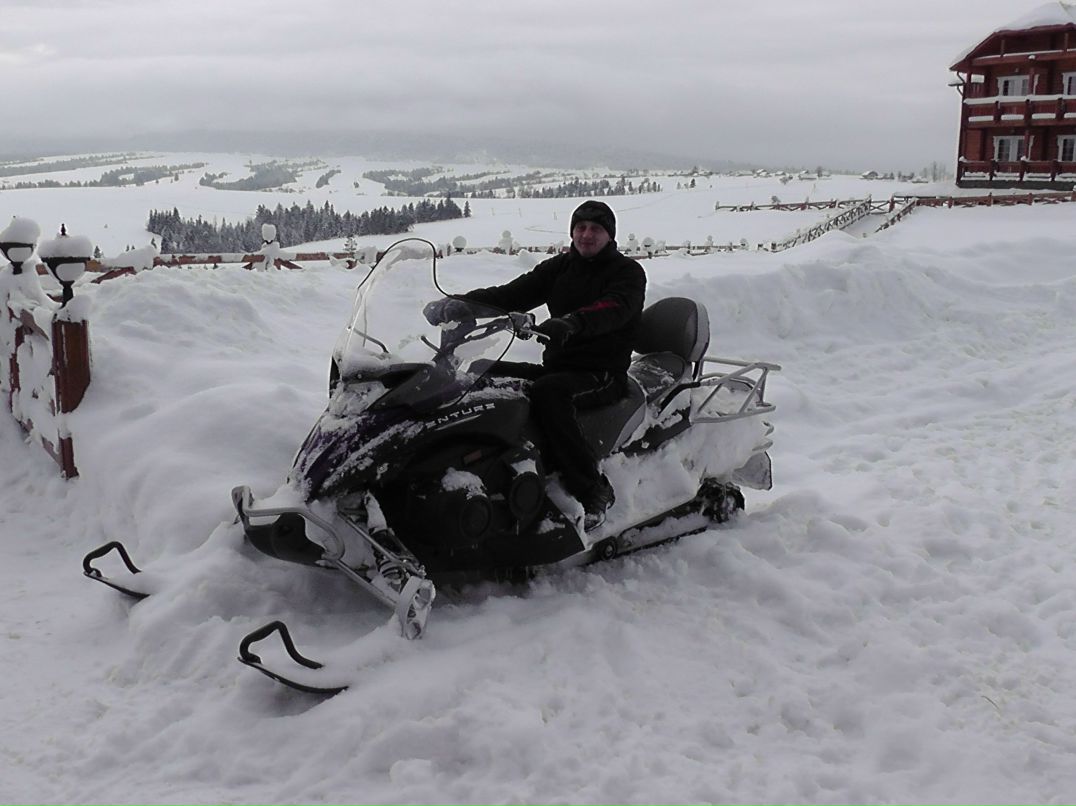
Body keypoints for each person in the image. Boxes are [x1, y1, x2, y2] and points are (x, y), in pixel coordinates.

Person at [424, 200, 646, 530]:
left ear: (609, 235)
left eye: (596, 229)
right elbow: (511, 293)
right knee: (479, 370)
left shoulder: (627, 273)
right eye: (580, 227)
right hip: (558, 367)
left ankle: (592, 489)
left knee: (550, 394)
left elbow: (613, 308)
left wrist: (573, 323)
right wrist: (459, 304)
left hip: (600, 373)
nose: (586, 234)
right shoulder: (560, 268)